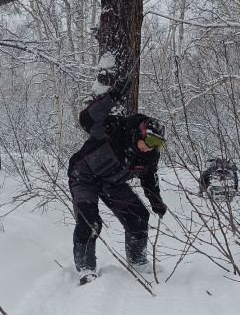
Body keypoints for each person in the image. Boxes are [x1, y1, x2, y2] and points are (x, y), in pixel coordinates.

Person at [68, 79, 168, 285]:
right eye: (150, 141)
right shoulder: (116, 129)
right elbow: (86, 119)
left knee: (139, 215)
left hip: (112, 183)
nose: (151, 148)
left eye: (158, 144)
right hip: (84, 177)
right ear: (140, 132)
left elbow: (150, 179)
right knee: (90, 221)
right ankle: (86, 269)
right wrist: (111, 98)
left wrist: (156, 201)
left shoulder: (149, 155)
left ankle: (137, 261)